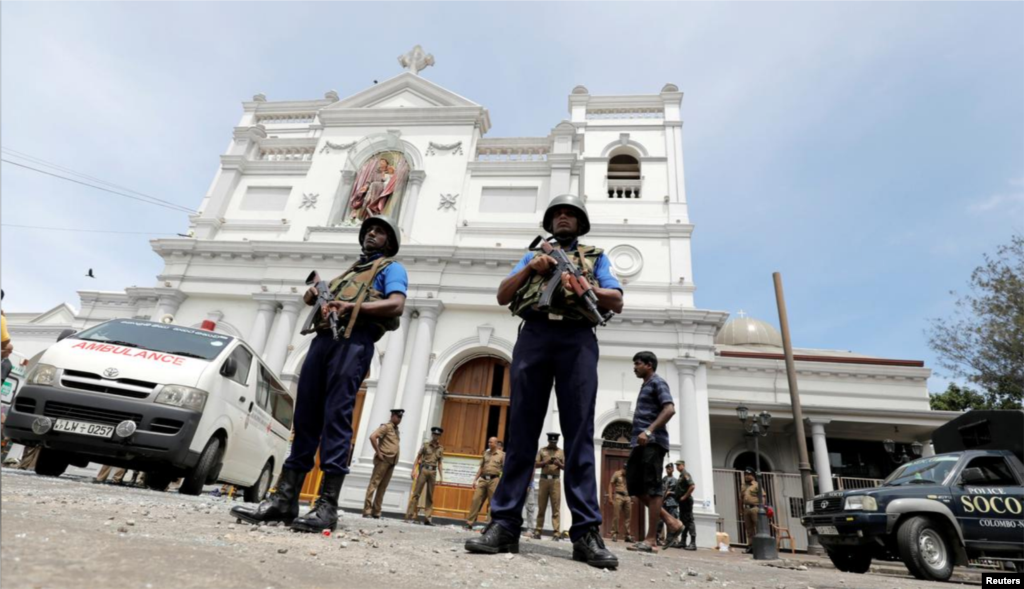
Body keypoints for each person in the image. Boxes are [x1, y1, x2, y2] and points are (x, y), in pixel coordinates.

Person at [465, 194, 623, 569]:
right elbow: (504, 294)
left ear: (580, 223)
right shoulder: (533, 254)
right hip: (534, 336)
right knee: (520, 432)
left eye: (570, 214)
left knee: (580, 434)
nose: (563, 218)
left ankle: (585, 532)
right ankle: (504, 524)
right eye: (557, 214)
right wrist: (531, 269)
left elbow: (615, 298)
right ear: (549, 223)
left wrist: (583, 286)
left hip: (577, 340)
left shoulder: (596, 256)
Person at [230, 215, 408, 533]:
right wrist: (314, 297)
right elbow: (324, 301)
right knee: (306, 419)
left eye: (379, 232)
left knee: (337, 417)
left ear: (389, 243)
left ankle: (327, 505)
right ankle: (284, 500)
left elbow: (395, 305)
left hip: (354, 342)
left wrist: (350, 308)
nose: (371, 234)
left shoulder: (390, 269)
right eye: (368, 230)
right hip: (322, 343)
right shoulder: (349, 272)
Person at [624, 351, 683, 554]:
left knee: (653, 488)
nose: (635, 367)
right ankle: (671, 522)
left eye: (638, 363)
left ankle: (651, 539)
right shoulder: (645, 385)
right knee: (633, 485)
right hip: (639, 444)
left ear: (649, 365)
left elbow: (669, 409)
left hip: (653, 442)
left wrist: (649, 431)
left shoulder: (658, 382)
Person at [363, 408, 403, 518]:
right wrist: (378, 452)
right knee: (374, 484)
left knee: (383, 487)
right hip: (383, 459)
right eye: (398, 416)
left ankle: (376, 511)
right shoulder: (385, 427)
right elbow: (372, 437)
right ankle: (367, 510)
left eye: (401, 417)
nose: (399, 419)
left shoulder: (396, 430)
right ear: (392, 416)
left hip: (392, 461)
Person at [405, 426, 444, 525]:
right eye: (434, 434)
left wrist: (441, 476)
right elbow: (418, 457)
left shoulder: (440, 448)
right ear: (432, 434)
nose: (435, 436)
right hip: (424, 470)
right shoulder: (425, 445)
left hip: (433, 472)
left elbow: (439, 463)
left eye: (437, 435)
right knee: (416, 493)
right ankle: (409, 516)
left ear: (440, 436)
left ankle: (428, 518)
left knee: (430, 495)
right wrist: (414, 470)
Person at [465, 437, 504, 529]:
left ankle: (490, 525)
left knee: (492, 503)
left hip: (494, 479)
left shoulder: (502, 455)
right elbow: (481, 468)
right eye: (488, 442)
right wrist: (475, 479)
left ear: (496, 443)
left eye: (491, 442)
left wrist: (502, 482)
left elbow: (505, 469)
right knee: (476, 499)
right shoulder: (485, 454)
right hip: (483, 479)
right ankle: (470, 522)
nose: (489, 444)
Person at [534, 432, 564, 540]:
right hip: (544, 480)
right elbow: (535, 464)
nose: (553, 444)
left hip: (555, 481)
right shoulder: (542, 450)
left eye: (554, 442)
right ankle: (538, 531)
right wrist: (544, 462)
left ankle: (556, 533)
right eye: (551, 442)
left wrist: (559, 464)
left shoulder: (561, 452)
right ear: (548, 441)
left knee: (556, 507)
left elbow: (566, 467)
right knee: (541, 506)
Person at [675, 460, 697, 550]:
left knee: (690, 521)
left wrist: (684, 496)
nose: (677, 467)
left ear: (683, 465)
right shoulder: (681, 475)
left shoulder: (685, 474)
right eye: (676, 465)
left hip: (686, 501)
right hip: (682, 502)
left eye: (678, 465)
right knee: (683, 521)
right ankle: (683, 541)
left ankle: (693, 543)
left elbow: (692, 486)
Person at [608, 467, 633, 543]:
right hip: (618, 496)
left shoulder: (629, 475)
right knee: (616, 516)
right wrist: (610, 497)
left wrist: (631, 497)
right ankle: (614, 534)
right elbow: (610, 484)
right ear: (623, 469)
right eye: (626, 470)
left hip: (627, 496)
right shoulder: (617, 474)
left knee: (628, 516)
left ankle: (627, 535)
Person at [657, 462, 678, 545]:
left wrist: (670, 493)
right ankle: (659, 538)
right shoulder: (664, 479)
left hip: (672, 503)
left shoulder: (675, 480)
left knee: (672, 521)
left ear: (672, 469)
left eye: (670, 468)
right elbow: (661, 489)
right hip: (663, 503)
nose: (668, 470)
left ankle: (672, 540)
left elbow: (677, 492)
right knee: (660, 521)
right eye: (667, 469)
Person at [741, 467, 761, 552]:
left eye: (749, 475)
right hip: (746, 508)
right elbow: (741, 498)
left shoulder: (757, 485)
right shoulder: (743, 486)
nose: (747, 476)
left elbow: (762, 497)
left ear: (753, 476)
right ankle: (751, 546)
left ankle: (760, 545)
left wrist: (762, 508)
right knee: (749, 529)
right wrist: (740, 509)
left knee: (758, 527)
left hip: (755, 508)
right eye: (746, 475)